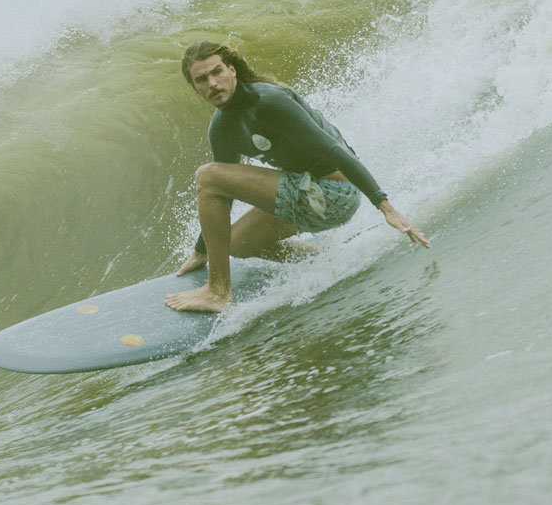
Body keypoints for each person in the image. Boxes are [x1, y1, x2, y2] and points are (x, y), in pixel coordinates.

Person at [165, 41, 429, 313]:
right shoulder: (221, 129)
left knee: (206, 175)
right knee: (234, 244)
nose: (212, 83)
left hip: (334, 194)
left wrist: (385, 206)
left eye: (217, 72)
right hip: (305, 193)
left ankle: (218, 291)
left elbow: (336, 152)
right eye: (201, 79)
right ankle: (320, 260)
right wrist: (203, 250)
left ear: (232, 70)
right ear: (195, 88)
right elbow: (221, 194)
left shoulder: (269, 101)